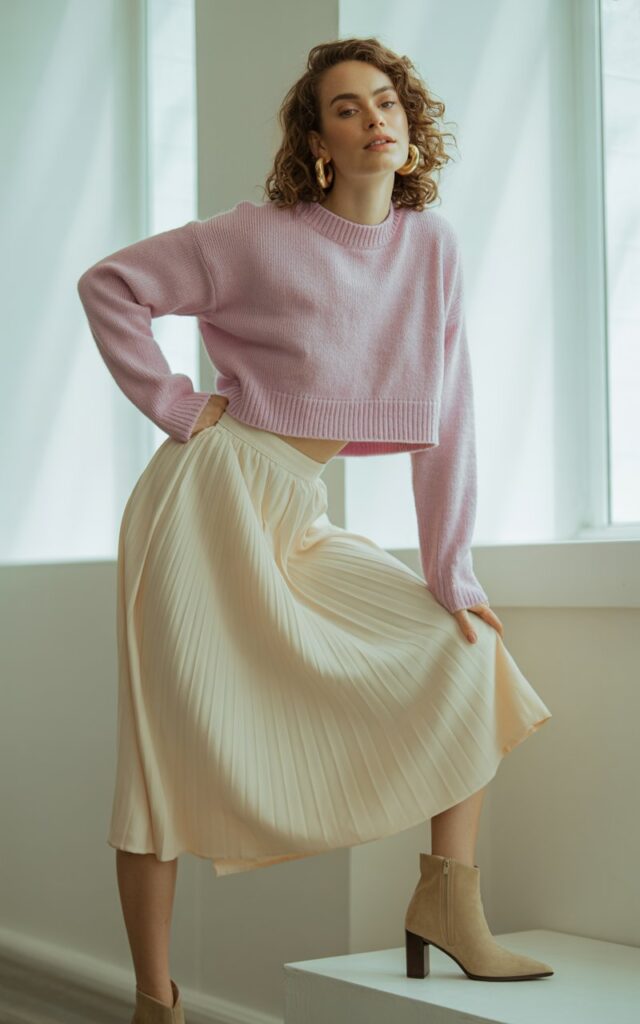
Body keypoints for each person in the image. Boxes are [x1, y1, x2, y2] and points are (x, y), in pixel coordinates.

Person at [77, 35, 554, 1023]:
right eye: (347, 107)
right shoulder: (258, 236)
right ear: (318, 139)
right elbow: (111, 286)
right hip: (204, 503)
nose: (376, 117)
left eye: (387, 100)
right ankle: (154, 1002)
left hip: (293, 510)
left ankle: (448, 905)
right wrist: (176, 404)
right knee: (160, 762)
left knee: (459, 650)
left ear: (411, 123)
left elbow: (448, 415)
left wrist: (449, 569)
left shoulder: (432, 248)